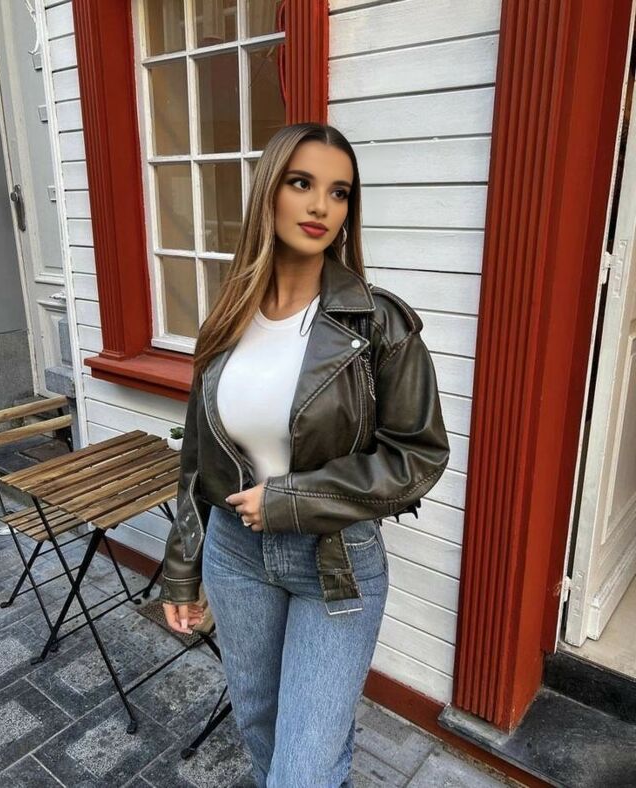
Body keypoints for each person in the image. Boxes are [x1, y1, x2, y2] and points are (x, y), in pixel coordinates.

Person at [159, 122, 450, 787]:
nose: (321, 205)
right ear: (270, 191)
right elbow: (197, 458)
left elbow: (418, 456)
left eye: (339, 192)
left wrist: (292, 499)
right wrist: (182, 569)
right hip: (233, 554)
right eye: (302, 183)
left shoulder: (379, 323)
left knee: (304, 769)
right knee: (259, 725)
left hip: (336, 563)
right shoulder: (228, 315)